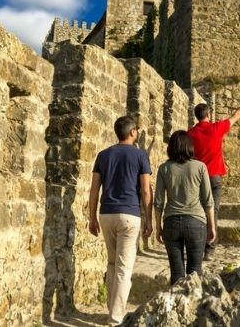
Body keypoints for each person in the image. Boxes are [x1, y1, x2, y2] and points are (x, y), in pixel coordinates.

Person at [88, 116, 153, 325]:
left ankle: (111, 309)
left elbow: (94, 189)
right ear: (132, 132)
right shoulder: (140, 156)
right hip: (129, 215)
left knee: (113, 263)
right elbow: (145, 190)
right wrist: (149, 219)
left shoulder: (103, 155)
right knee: (124, 268)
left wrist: (91, 217)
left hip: (106, 214)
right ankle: (115, 319)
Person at [188, 96, 240, 260]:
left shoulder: (190, 134)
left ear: (196, 116)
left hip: (197, 179)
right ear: (208, 114)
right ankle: (209, 249)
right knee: (213, 211)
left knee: (198, 212)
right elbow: (236, 116)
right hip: (214, 178)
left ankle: (196, 247)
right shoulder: (216, 128)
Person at [154, 130, 216, 285]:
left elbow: (159, 201)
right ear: (190, 146)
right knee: (195, 272)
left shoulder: (164, 169)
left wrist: (158, 226)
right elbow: (208, 200)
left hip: (171, 223)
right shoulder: (200, 167)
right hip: (196, 222)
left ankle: (177, 306)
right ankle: (193, 307)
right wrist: (212, 226)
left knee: (176, 273)